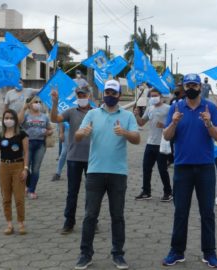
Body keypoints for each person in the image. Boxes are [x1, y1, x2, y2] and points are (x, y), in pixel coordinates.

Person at [74, 79, 140, 270]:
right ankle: (85, 254)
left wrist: (125, 132)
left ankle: (118, 254)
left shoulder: (127, 116)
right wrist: (83, 132)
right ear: (103, 94)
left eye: (113, 93)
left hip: (118, 173)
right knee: (90, 215)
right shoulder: (93, 114)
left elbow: (136, 139)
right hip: (95, 171)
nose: (110, 96)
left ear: (119, 95)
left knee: (117, 216)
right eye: (107, 92)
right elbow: (77, 136)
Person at [162, 73, 217, 268]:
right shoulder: (176, 107)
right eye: (188, 85)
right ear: (183, 86)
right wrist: (174, 122)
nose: (191, 88)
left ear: (200, 87)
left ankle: (209, 252)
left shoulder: (210, 107)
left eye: (194, 85)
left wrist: (209, 123)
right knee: (180, 211)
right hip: (182, 167)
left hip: (205, 167)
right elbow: (167, 135)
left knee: (207, 212)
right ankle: (177, 251)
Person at [50, 87, 92, 235]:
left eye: (84, 95)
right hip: (74, 158)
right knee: (72, 192)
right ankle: (69, 222)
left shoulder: (96, 112)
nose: (82, 97)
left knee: (92, 193)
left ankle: (92, 221)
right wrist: (55, 103)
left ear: (89, 96)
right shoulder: (71, 112)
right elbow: (54, 119)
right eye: (79, 95)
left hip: (92, 159)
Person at [0, 109, 29, 235]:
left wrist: (25, 169)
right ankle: (9, 224)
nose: (8, 120)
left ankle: (21, 223)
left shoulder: (22, 134)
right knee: (6, 197)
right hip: (4, 167)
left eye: (11, 117)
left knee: (19, 197)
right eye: (6, 118)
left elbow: (27, 152)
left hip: (18, 166)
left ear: (15, 120)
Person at [134, 87, 172, 202]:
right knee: (146, 168)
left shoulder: (168, 108)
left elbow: (175, 124)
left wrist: (165, 125)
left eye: (156, 95)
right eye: (152, 96)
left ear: (160, 96)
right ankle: (146, 192)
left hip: (162, 143)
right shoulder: (149, 108)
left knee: (162, 169)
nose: (154, 98)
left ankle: (168, 192)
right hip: (150, 143)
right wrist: (136, 115)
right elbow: (141, 123)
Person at [18, 96, 53, 199]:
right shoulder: (26, 115)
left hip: (40, 144)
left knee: (36, 169)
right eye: (35, 102)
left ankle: (32, 190)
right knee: (25, 167)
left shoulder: (44, 117)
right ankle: (27, 186)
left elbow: (50, 129)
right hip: (27, 144)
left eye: (39, 102)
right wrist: (24, 108)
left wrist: (48, 132)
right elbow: (19, 121)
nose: (37, 103)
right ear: (30, 104)